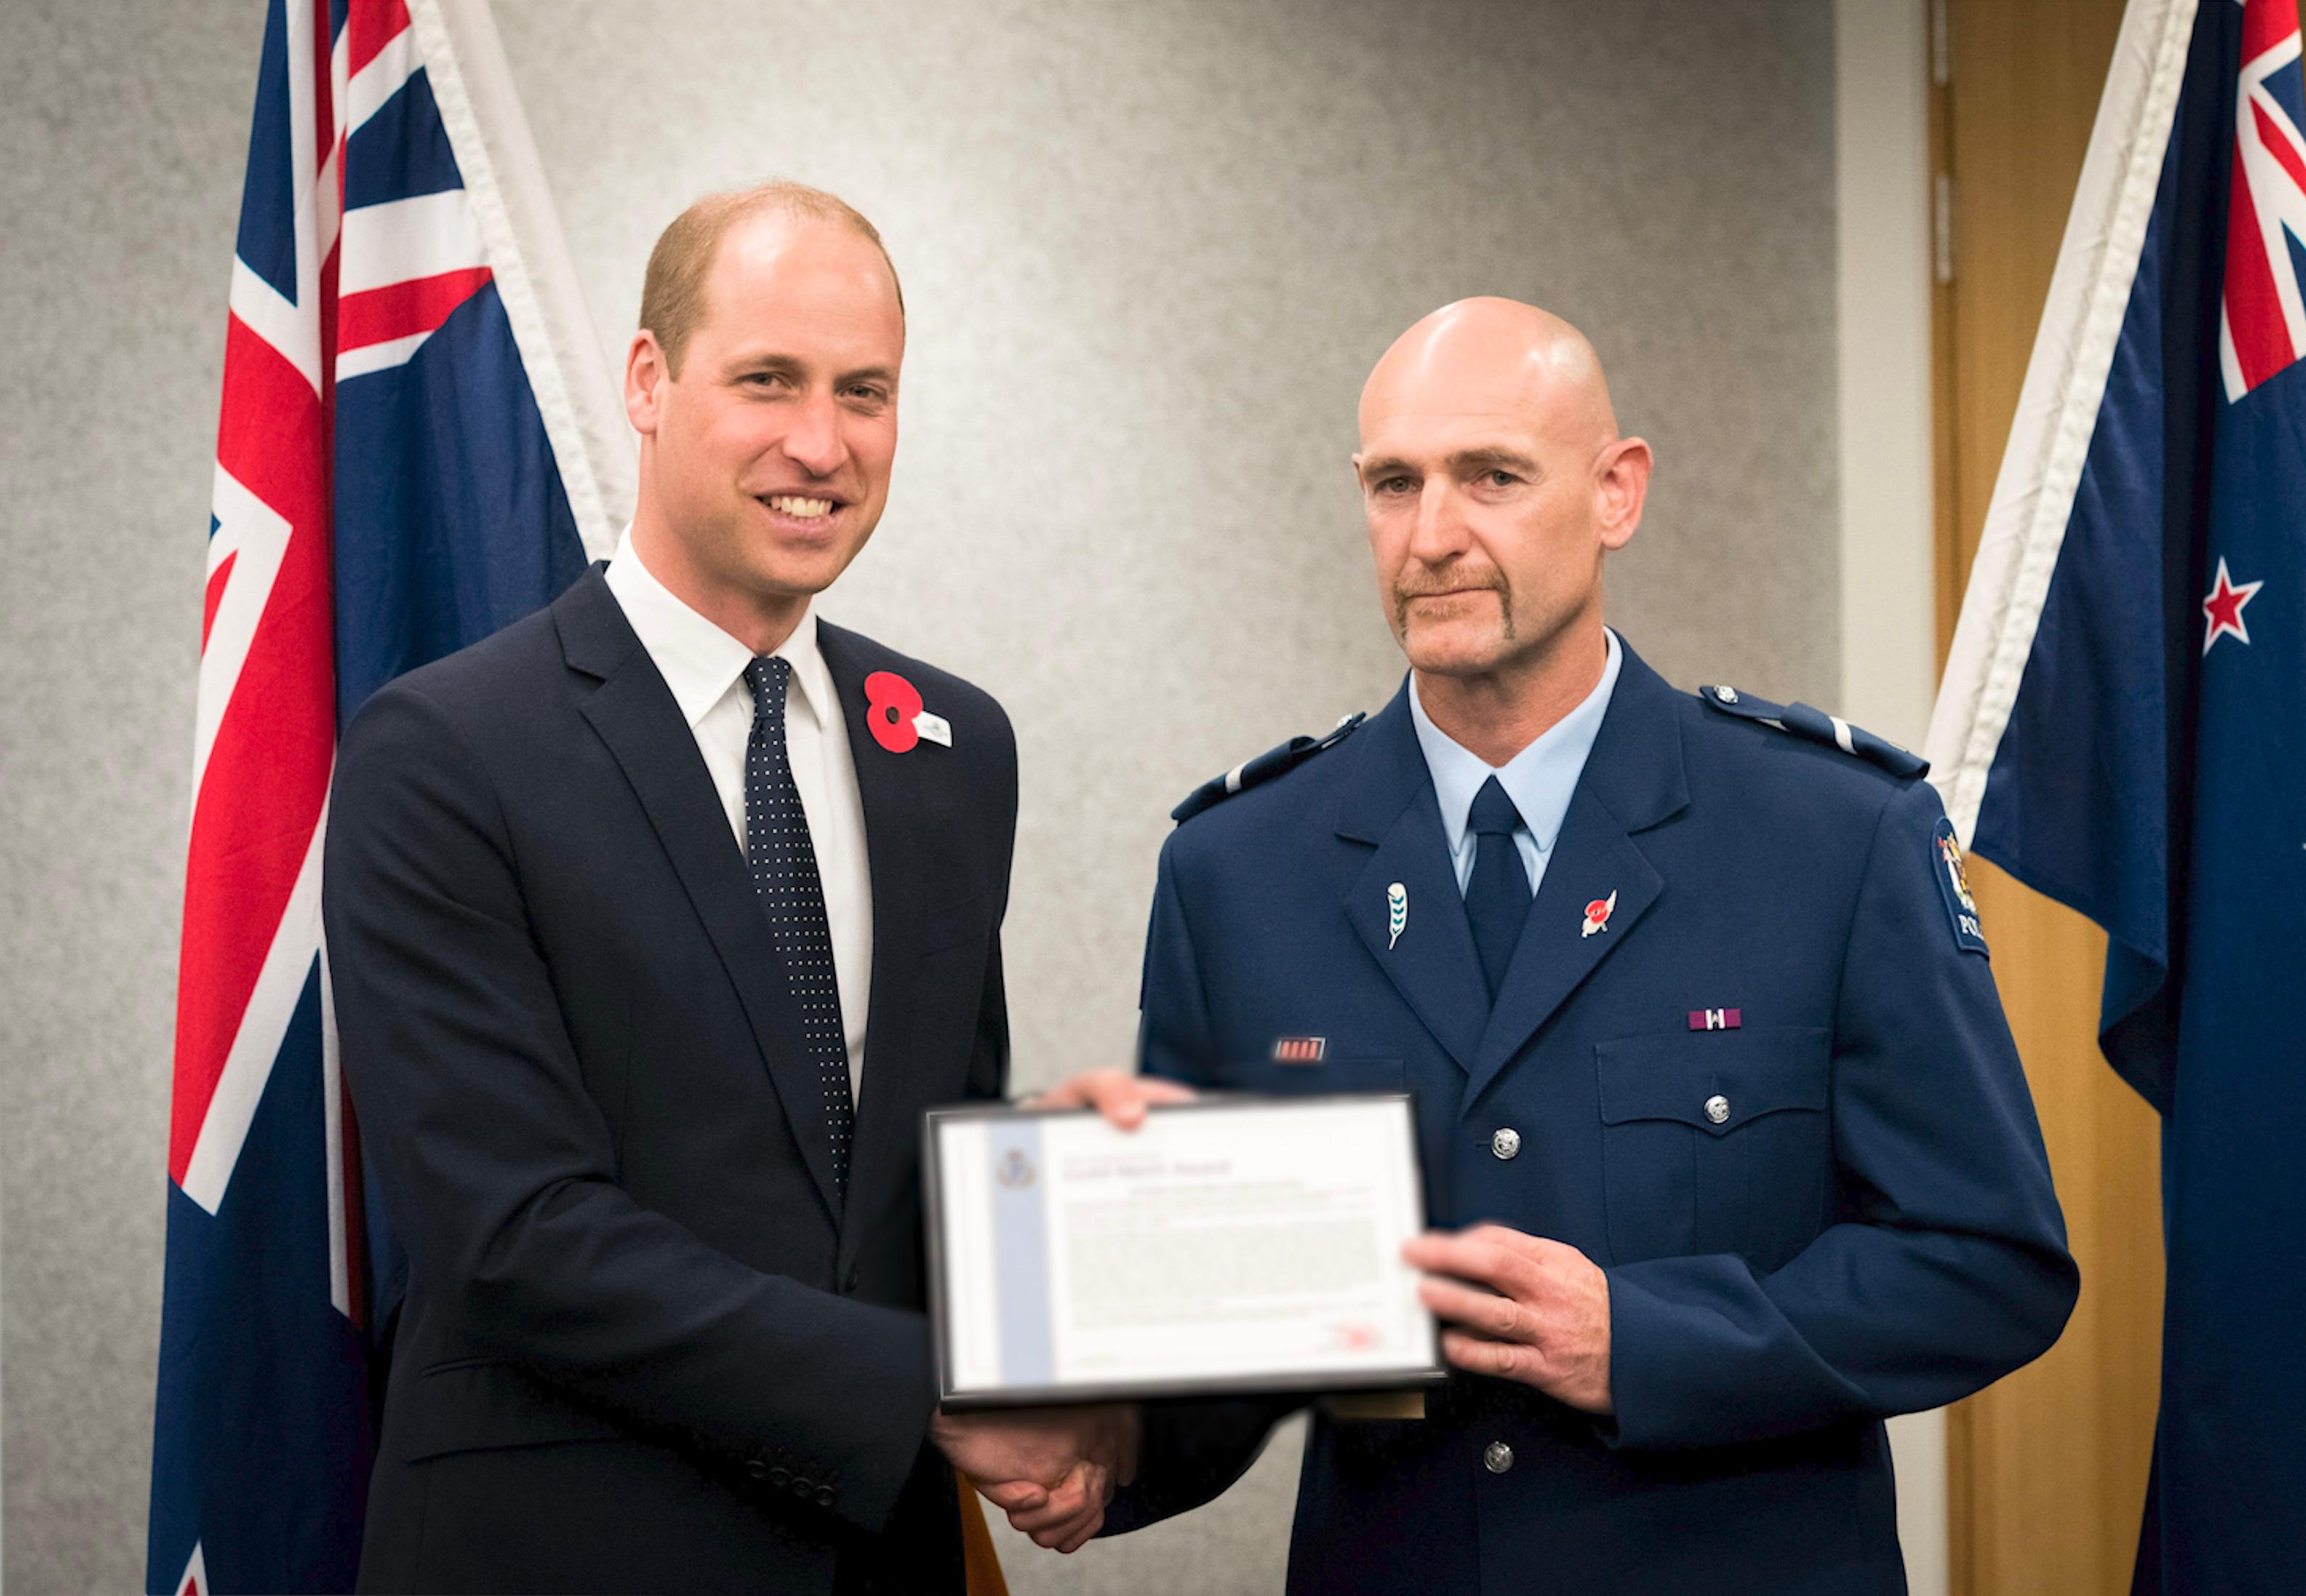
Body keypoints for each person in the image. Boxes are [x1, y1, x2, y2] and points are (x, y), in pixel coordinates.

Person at [1049, 297, 2079, 1593]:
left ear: (1615, 493)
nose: (1432, 536)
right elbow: (1216, 1308)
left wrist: (1642, 1339)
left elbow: (1985, 1263)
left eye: (1491, 477)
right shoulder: (1239, 867)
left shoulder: (1828, 837)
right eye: (1393, 483)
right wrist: (1104, 1447)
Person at [324, 182, 1128, 1595]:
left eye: (864, 391)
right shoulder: (445, 750)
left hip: (880, 1555)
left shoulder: (950, 746)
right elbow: (512, 1232)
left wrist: (1090, 1366)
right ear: (648, 379)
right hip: (566, 1554)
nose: (820, 443)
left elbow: (940, 1164)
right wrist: (935, 1387)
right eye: (768, 380)